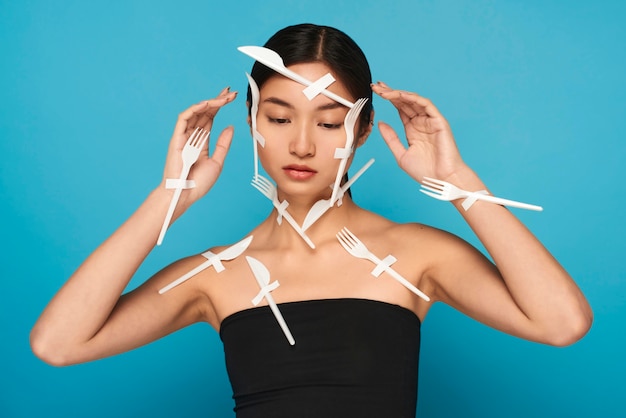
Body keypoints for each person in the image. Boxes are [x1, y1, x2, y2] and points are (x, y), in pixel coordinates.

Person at [30, 23, 592, 417]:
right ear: (252, 121)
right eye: (279, 117)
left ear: (363, 132)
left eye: (329, 123)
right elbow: (58, 343)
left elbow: (561, 323)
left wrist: (460, 183)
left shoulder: (417, 255)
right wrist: (169, 197)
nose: (301, 144)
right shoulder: (217, 274)